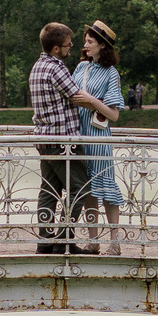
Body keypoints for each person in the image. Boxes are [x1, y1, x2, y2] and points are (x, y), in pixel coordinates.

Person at [29, 21, 104, 256]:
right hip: (64, 142)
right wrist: (100, 103)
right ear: (55, 49)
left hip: (44, 139)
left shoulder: (37, 67)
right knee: (80, 188)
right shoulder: (56, 67)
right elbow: (76, 95)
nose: (72, 46)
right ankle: (64, 239)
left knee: (49, 189)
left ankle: (44, 240)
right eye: (67, 44)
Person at [72, 20, 127, 255]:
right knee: (88, 190)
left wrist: (92, 101)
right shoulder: (80, 68)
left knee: (106, 187)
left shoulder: (111, 74)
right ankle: (93, 240)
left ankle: (115, 241)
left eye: (90, 41)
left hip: (99, 137)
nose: (85, 44)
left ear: (103, 46)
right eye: (86, 40)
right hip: (79, 134)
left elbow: (114, 114)